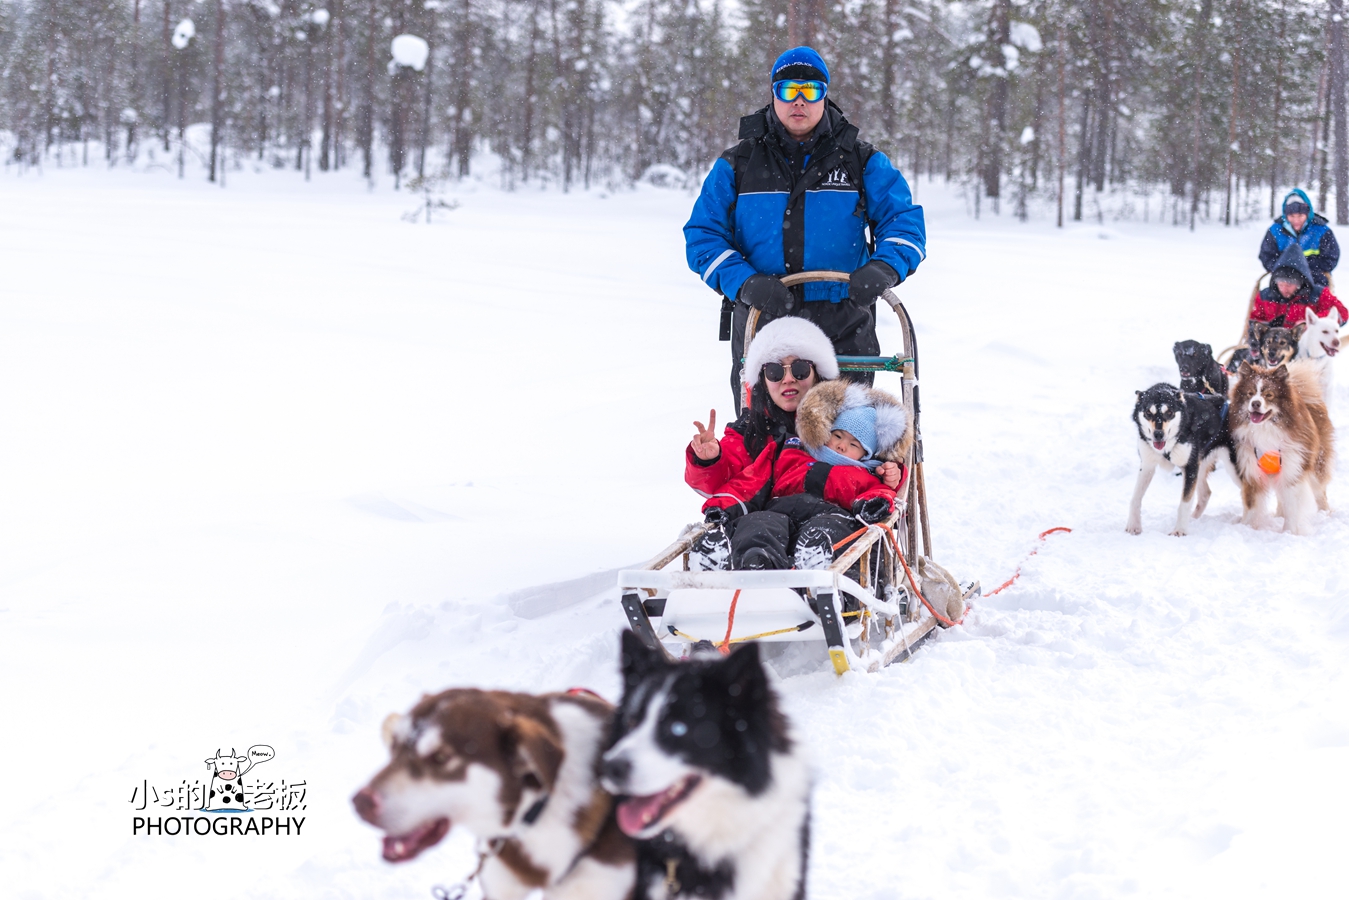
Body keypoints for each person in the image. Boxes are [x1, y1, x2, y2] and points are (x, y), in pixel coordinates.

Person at [684, 46, 927, 410]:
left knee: (846, 435)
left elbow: (904, 223)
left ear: (824, 95)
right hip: (763, 317)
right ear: (773, 94)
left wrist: (884, 267)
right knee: (765, 441)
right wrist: (745, 283)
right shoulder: (738, 163)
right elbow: (704, 235)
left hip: (844, 319)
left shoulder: (861, 160)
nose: (799, 101)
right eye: (788, 90)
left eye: (810, 91)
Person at [684, 317, 904, 571]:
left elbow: (879, 467)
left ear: (817, 373)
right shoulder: (751, 431)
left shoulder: (843, 421)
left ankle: (821, 579)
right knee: (757, 528)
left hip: (832, 514)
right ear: (763, 381)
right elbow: (724, 479)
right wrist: (709, 459)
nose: (787, 379)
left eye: (799, 370)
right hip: (773, 512)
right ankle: (751, 569)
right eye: (775, 372)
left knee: (828, 530)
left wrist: (891, 475)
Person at [1250, 239, 1348, 330]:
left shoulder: (1318, 294)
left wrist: (1313, 321)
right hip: (1274, 346)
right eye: (1281, 284)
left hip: (1308, 345)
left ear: (1300, 283)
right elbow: (1254, 322)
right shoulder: (1265, 296)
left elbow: (1342, 314)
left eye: (1289, 285)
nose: (1284, 289)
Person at [1259, 189, 1339, 291]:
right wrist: (1284, 269)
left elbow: (1331, 257)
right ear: (1286, 215)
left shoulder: (1320, 230)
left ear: (1308, 214)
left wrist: (1308, 269)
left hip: (1316, 281)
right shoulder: (1275, 230)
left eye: (1300, 216)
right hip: (1284, 282)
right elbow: (1266, 255)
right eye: (1292, 216)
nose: (1296, 220)